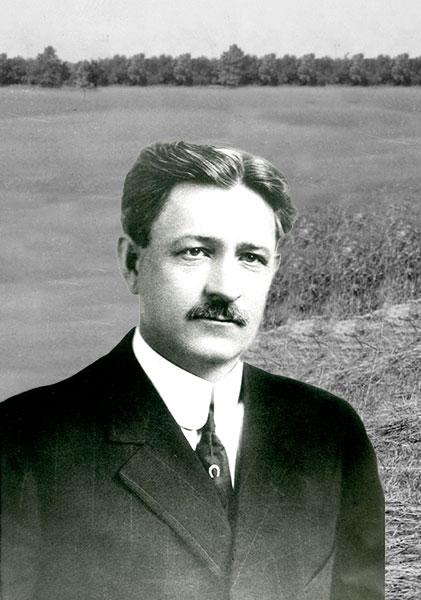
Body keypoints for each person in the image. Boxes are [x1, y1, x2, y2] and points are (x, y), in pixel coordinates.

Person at [0, 142, 384, 600]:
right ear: (132, 263)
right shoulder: (26, 443)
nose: (225, 288)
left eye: (251, 257)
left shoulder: (327, 432)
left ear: (273, 270)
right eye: (196, 252)